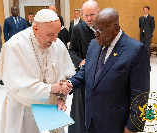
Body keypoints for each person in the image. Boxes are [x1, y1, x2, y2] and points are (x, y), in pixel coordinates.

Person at [69, 8, 150, 133]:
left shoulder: (136, 50)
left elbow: (140, 95)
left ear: (116, 29)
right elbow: (86, 71)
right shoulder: (94, 44)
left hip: (116, 123)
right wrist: (70, 84)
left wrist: (133, 127)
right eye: (94, 29)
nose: (96, 34)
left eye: (100, 31)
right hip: (91, 120)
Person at [0, 9, 75, 133]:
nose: (54, 39)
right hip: (24, 107)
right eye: (50, 35)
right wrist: (52, 88)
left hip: (51, 106)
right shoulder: (15, 46)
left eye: (57, 34)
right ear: (35, 29)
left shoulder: (58, 44)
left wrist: (61, 97)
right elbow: (19, 88)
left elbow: (65, 75)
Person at [68, 1, 99, 133]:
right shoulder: (77, 29)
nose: (89, 19)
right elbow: (72, 51)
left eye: (92, 14)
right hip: (83, 78)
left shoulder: (105, 28)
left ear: (99, 12)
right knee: (81, 113)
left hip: (101, 77)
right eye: (86, 15)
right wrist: (80, 62)